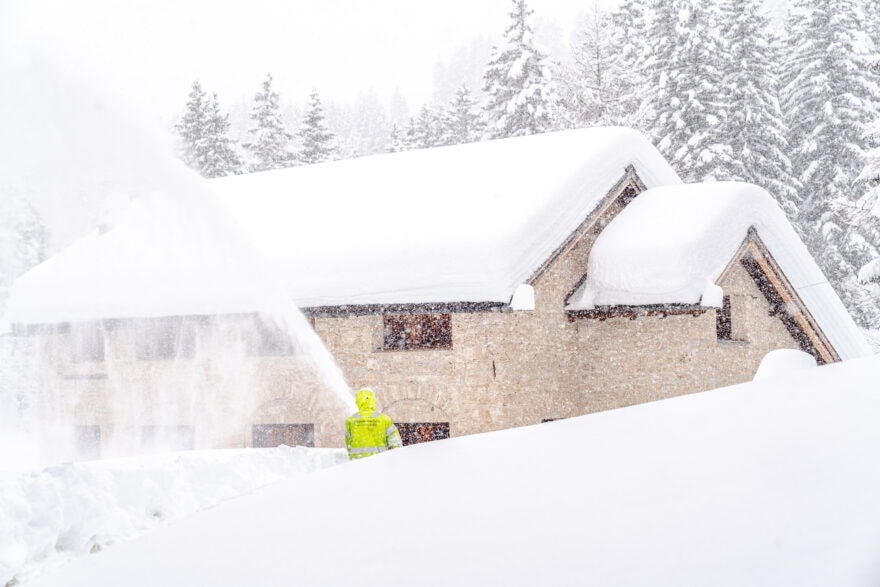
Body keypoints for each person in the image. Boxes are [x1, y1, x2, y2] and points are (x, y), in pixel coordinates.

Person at [345, 388, 403, 459]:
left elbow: (348, 444)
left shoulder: (350, 420)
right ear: (373, 401)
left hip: (357, 462)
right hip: (379, 461)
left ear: (358, 402)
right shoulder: (385, 419)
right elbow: (396, 443)